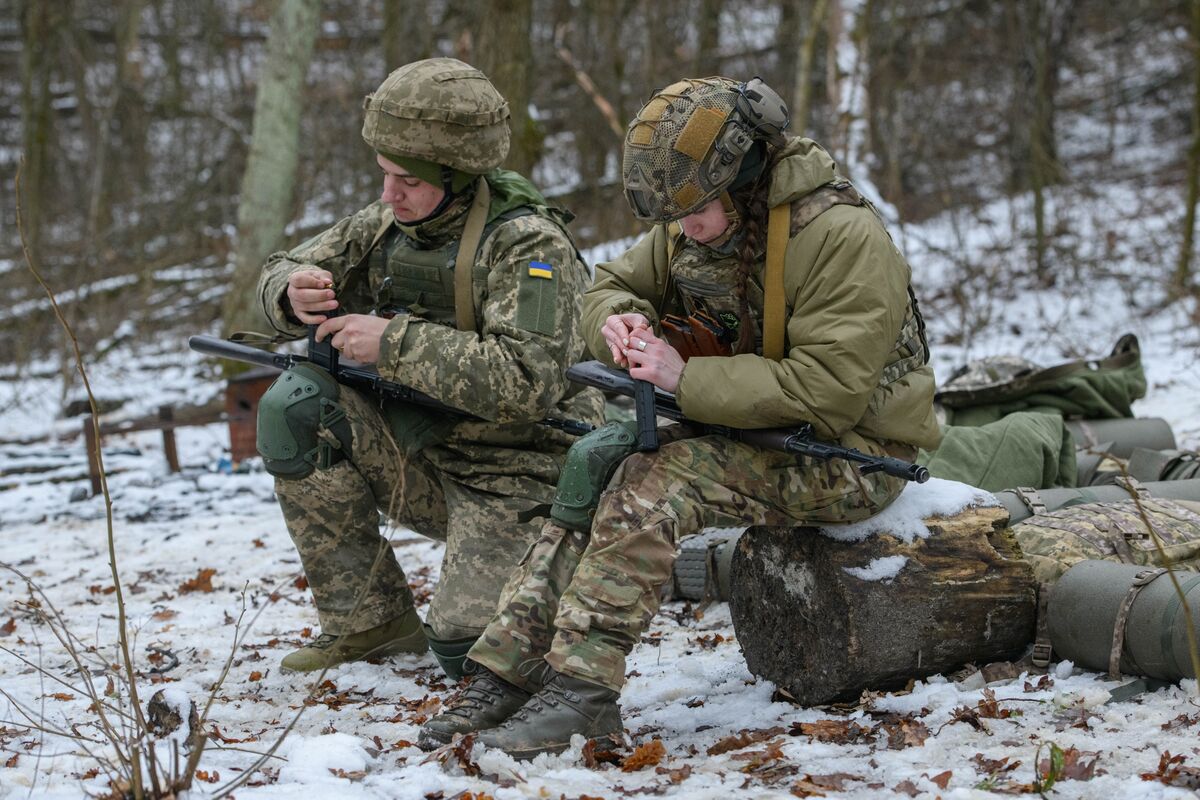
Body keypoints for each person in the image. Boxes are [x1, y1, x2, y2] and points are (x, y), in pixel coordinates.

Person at [417, 76, 943, 758]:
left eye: (694, 208)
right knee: (595, 458)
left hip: (850, 454)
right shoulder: (698, 224)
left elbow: (832, 390)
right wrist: (619, 324)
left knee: (656, 483)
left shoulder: (841, 235)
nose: (682, 226)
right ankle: (509, 672)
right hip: (751, 428)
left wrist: (685, 376)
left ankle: (581, 694)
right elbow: (605, 285)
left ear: (746, 175)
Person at [254, 58, 604, 678]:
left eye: (406, 181)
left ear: (457, 172)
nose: (389, 194)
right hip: (423, 452)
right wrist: (290, 291)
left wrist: (392, 343)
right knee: (295, 405)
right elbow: (283, 264)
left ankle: (598, 560)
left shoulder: (528, 244)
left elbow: (528, 382)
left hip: (521, 474)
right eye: (384, 176)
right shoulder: (387, 222)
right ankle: (369, 622)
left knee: (469, 655)